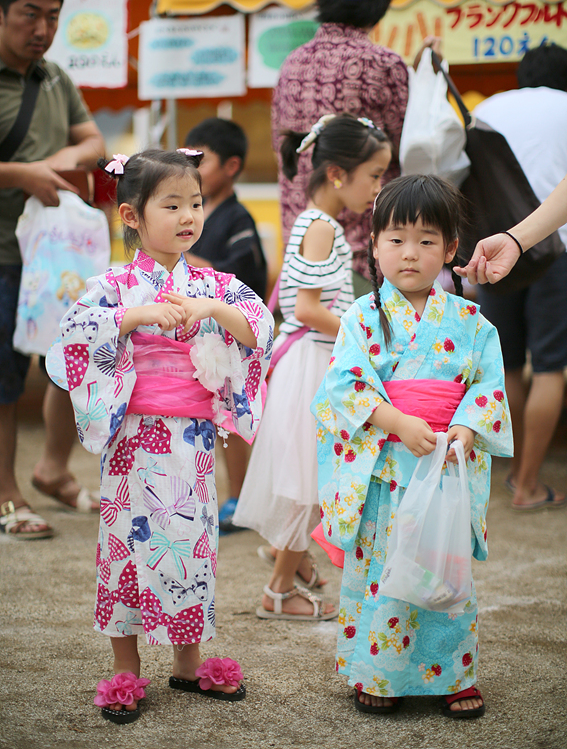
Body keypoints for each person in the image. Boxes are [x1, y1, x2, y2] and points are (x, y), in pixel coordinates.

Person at [46, 148, 273, 723]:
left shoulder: (213, 282)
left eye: (195, 203)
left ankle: (188, 663)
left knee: (191, 545)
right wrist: (136, 317)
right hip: (133, 437)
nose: (188, 215)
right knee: (126, 548)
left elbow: (259, 328)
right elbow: (73, 334)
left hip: (191, 440)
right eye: (171, 205)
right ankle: (125, 668)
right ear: (131, 216)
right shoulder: (114, 285)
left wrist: (211, 307)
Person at [312, 174, 512, 717]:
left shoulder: (471, 322)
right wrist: (396, 421)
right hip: (385, 469)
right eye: (396, 239)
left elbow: (488, 387)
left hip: (443, 465)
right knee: (382, 574)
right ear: (374, 245)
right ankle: (379, 673)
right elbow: (343, 386)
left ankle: (453, 674)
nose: (409, 253)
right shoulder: (361, 317)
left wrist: (467, 429)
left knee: (444, 572)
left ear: (450, 249)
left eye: (426, 241)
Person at [233, 114, 392, 619]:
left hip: (312, 358)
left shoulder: (317, 222)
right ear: (338, 174)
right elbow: (305, 308)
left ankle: (291, 564)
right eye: (374, 175)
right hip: (313, 360)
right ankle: (279, 591)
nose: (378, 187)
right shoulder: (321, 226)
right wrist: (362, 331)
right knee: (310, 478)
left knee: (310, 475)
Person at [0, 0, 105, 540]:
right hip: (2, 252)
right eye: (29, 15)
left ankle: (52, 469)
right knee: (5, 377)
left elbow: (92, 139)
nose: (41, 29)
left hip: (55, 255)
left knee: (70, 358)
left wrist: (56, 163)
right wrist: (21, 173)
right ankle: (6, 494)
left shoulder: (55, 79)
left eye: (53, 17)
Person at [455, 43, 567, 512]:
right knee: (550, 367)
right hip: (559, 252)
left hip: (496, 247)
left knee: (505, 365)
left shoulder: (488, 109)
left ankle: (509, 465)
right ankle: (527, 483)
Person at [271, 0, 408, 291]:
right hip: (365, 259)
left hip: (302, 254)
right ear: (383, 0)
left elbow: (280, 148)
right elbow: (406, 150)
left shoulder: (292, 64)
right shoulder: (385, 64)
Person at [184, 118, 267, 532]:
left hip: (230, 332)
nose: (194, 169)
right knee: (204, 412)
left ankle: (239, 496)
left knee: (231, 416)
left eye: (202, 160)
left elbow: (242, 276)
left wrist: (184, 262)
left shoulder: (238, 219)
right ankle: (211, 495)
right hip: (198, 334)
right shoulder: (192, 213)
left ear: (232, 166)